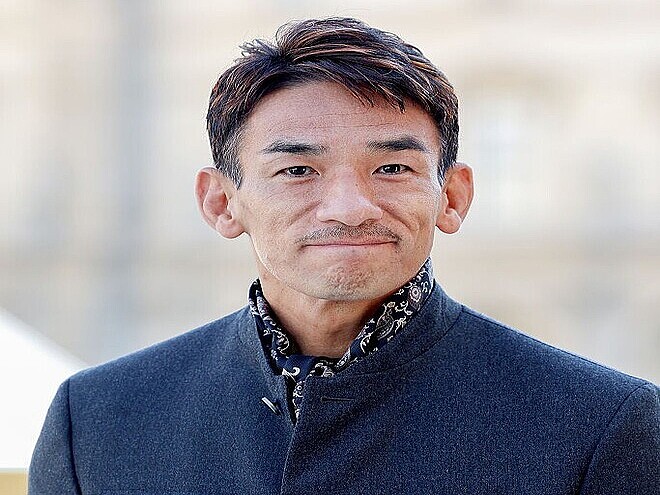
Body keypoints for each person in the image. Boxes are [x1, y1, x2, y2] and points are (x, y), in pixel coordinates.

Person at [29, 17, 658, 494]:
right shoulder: (98, 422)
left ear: (453, 196)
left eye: (392, 168)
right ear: (222, 202)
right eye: (298, 170)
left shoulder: (601, 424)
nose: (349, 207)